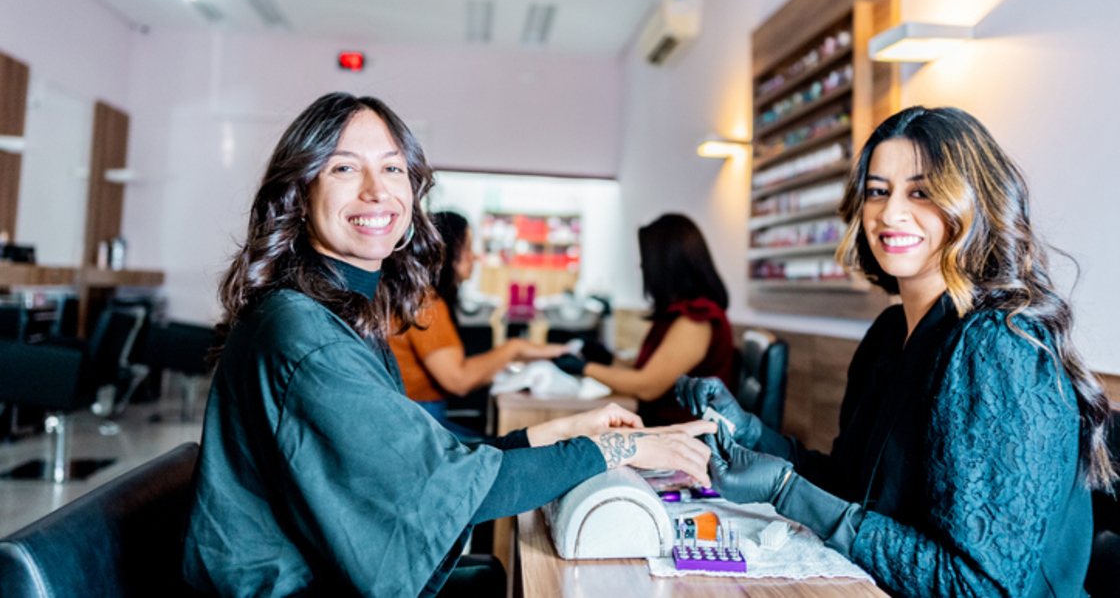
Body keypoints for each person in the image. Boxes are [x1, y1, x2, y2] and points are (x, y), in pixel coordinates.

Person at [181, 93, 713, 598]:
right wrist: (620, 449)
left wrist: (564, 430)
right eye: (345, 168)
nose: (376, 190)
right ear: (299, 193)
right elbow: (441, 487)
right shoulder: (305, 333)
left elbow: (430, 470)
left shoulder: (332, 313)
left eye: (393, 168)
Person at [679, 106, 1115, 597]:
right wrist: (750, 431)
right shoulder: (891, 332)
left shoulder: (996, 347)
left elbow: (978, 588)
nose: (890, 213)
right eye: (878, 192)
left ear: (976, 203)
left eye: (921, 192)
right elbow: (852, 485)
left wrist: (787, 492)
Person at [387, 211, 565, 435]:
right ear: (446, 252)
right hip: (416, 420)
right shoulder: (423, 302)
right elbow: (457, 379)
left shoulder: (418, 297)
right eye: (468, 247)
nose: (475, 257)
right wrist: (514, 348)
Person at [554, 213, 736, 427]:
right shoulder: (678, 314)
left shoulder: (696, 318)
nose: (642, 267)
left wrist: (584, 368)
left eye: (647, 261)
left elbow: (648, 386)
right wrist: (607, 359)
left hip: (682, 436)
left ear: (665, 264)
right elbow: (647, 371)